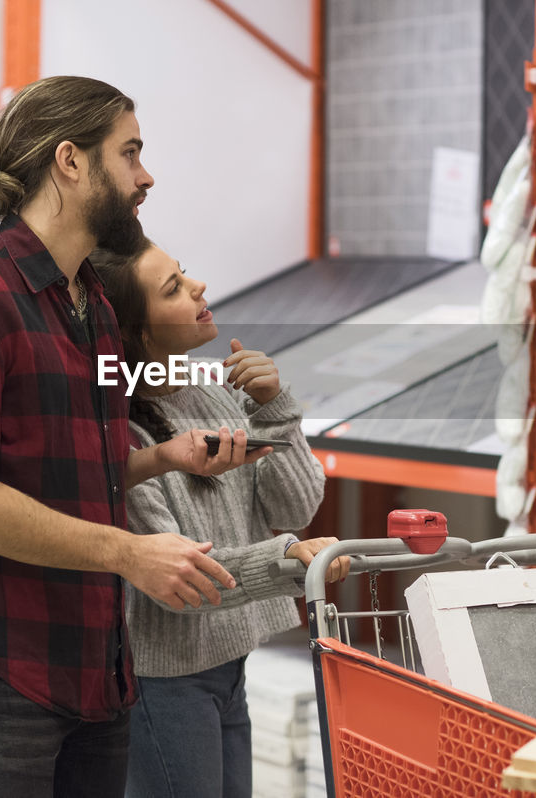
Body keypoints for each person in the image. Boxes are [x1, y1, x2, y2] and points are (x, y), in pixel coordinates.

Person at [0, 76, 264, 798]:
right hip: (3, 671)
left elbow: (66, 472)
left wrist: (158, 460)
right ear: (70, 161)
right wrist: (128, 551)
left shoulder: (91, 305)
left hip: (98, 670)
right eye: (129, 153)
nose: (146, 176)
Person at [90, 238, 350, 798]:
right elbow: (175, 580)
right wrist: (286, 559)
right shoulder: (125, 438)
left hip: (228, 668)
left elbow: (293, 508)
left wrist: (276, 408)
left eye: (184, 273)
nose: (197, 287)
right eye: (173, 289)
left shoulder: (216, 388)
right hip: (165, 684)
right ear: (136, 333)